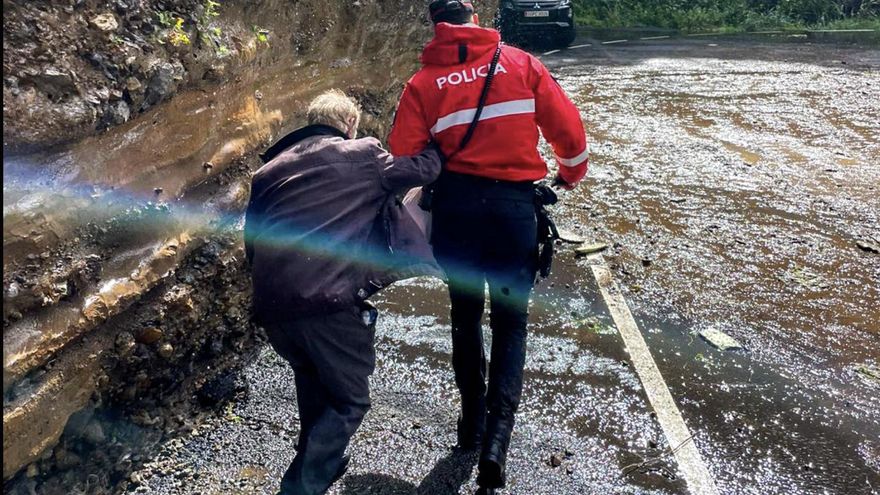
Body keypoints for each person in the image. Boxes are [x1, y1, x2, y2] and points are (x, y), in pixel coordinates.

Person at [388, 2, 589, 493]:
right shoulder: (520, 63)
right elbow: (569, 134)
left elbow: (403, 154)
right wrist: (568, 174)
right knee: (510, 324)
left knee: (464, 317)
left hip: (456, 213)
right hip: (512, 213)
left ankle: (469, 428)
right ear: (475, 17)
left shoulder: (421, 84)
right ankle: (497, 444)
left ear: (435, 23)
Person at [245, 89, 444, 495]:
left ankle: (322, 461)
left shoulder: (267, 173)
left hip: (272, 307)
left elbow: (252, 242)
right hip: (326, 302)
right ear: (349, 125)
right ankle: (300, 486)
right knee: (349, 399)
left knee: (313, 381)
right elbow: (421, 170)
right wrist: (441, 143)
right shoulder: (363, 153)